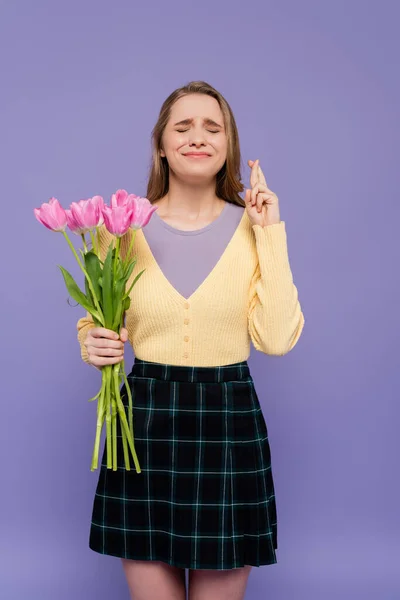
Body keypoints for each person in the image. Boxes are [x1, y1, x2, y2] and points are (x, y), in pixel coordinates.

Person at [76, 80, 305, 600]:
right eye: (183, 126)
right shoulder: (121, 229)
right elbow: (95, 321)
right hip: (144, 423)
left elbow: (275, 339)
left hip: (228, 421)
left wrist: (270, 232)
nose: (197, 137)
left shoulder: (254, 230)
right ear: (161, 143)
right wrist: (93, 344)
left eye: (212, 127)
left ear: (229, 145)